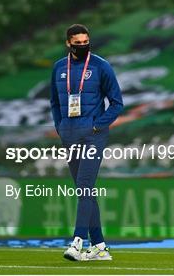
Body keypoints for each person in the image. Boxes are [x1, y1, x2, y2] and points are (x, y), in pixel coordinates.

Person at [50, 23, 124, 261]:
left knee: (84, 184)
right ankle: (100, 247)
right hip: (69, 134)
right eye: (77, 43)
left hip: (93, 136)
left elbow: (117, 103)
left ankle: (77, 242)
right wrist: (60, 126)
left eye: (85, 42)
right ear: (68, 43)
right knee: (85, 191)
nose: (82, 46)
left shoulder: (101, 66)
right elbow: (54, 102)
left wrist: (97, 126)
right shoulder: (59, 67)